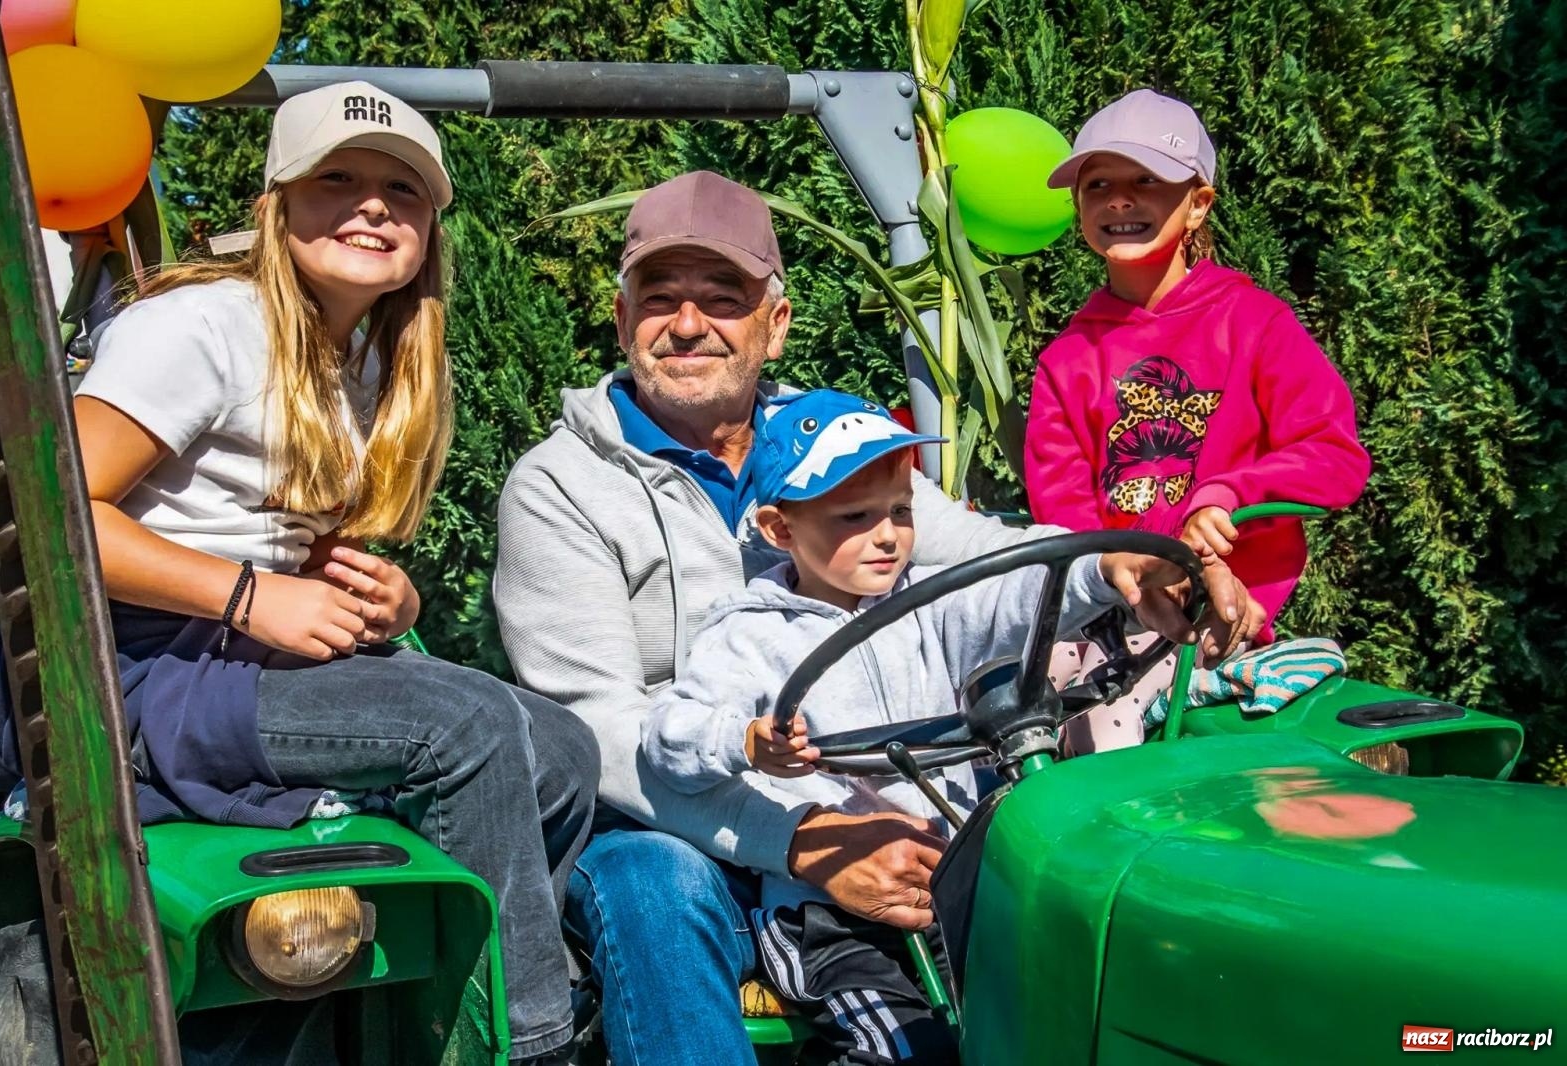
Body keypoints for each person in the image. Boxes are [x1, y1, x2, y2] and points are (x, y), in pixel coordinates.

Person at [493, 169, 1263, 1065]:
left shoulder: (836, 451)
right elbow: (598, 729)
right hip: (680, 807)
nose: (690, 324)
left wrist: (1117, 565)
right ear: (623, 319)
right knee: (647, 882)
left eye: (724, 298)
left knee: (1057, 857)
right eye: (660, 298)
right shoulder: (561, 486)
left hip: (868, 791)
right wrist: (804, 839)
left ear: (776, 323)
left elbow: (980, 562)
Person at [0, 81, 595, 1065]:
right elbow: (51, 521)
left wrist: (382, 592)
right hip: (131, 669)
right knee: (466, 727)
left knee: (560, 746)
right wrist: (250, 596)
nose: (372, 205)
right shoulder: (204, 326)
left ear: (430, 227)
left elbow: (268, 537)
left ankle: (423, 1007)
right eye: (335, 180)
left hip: (239, 661)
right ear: (276, 206)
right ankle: (527, 1045)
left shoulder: (368, 358)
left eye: (402, 189)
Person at [641, 388, 1159, 1063]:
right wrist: (743, 742)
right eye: (855, 516)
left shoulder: (926, 605)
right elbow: (670, 733)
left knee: (1037, 1022)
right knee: (904, 1049)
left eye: (900, 511)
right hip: (826, 916)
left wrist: (1105, 570)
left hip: (950, 890)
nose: (887, 535)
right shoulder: (748, 635)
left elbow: (1019, 598)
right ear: (780, 530)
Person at [1025, 88, 1371, 645]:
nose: (1120, 201)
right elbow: (1063, 511)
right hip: (1114, 625)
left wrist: (1230, 495)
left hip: (1239, 619)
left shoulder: (1256, 322)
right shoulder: (1064, 360)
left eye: (1147, 180)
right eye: (1098, 185)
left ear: (1198, 204)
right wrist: (1124, 577)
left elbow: (1335, 456)